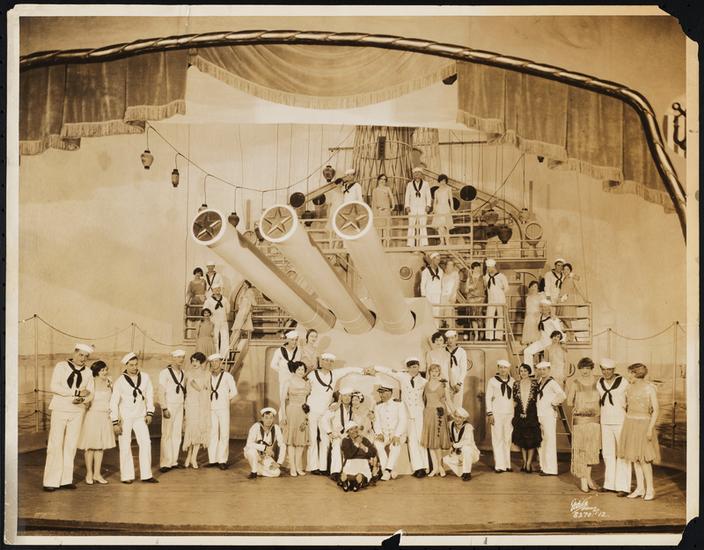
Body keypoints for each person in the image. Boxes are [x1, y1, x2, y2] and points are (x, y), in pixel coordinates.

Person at [43, 343, 95, 492]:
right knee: (55, 443)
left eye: (86, 356)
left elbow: (91, 393)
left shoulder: (88, 372)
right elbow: (54, 387)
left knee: (71, 445)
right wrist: (77, 393)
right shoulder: (61, 366)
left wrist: (82, 399)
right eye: (80, 355)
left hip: (77, 411)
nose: (83, 358)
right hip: (60, 409)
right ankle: (51, 481)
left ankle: (66, 480)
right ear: (74, 353)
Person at [305, 353, 364, 475]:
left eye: (331, 361)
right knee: (313, 439)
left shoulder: (335, 374)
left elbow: (349, 370)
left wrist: (363, 371)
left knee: (325, 440)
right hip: (313, 410)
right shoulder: (312, 374)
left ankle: (322, 468)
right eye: (326, 360)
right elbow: (304, 389)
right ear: (321, 362)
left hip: (326, 410)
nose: (328, 363)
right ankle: (313, 466)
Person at [372, 359, 429, 477]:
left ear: (419, 367)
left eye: (415, 367)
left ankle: (424, 467)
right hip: (406, 413)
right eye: (411, 367)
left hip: (419, 413)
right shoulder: (403, 377)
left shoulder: (424, 381)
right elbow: (389, 371)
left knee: (420, 439)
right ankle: (418, 467)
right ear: (407, 368)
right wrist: (375, 367)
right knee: (412, 440)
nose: (413, 370)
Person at [110, 352, 158, 484]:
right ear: (126, 365)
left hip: (140, 416)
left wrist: (149, 412)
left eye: (136, 364)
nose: (134, 367)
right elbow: (114, 402)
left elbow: (150, 395)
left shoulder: (145, 377)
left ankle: (146, 475)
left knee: (146, 442)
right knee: (125, 444)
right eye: (131, 365)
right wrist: (115, 422)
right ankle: (127, 476)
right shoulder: (120, 381)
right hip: (125, 417)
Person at [618, 363, 660, 500]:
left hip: (643, 425)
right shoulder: (628, 388)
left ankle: (650, 489)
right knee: (635, 458)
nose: (628, 375)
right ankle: (640, 488)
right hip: (630, 424)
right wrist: (626, 411)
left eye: (630, 373)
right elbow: (624, 405)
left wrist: (649, 429)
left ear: (635, 373)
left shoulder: (650, 388)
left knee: (644, 460)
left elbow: (656, 410)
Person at [597, 358, 632, 496]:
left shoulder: (623, 382)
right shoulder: (599, 383)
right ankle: (609, 484)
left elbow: (631, 399)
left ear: (614, 370)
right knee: (607, 453)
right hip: (605, 421)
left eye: (609, 370)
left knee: (622, 453)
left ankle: (623, 486)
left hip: (621, 421)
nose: (606, 372)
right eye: (604, 370)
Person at [567, 357, 602, 492]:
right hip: (580, 422)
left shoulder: (598, 383)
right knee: (581, 451)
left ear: (591, 369)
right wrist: (580, 407)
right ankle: (583, 481)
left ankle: (588, 478)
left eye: (587, 368)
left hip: (594, 422)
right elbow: (569, 401)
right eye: (582, 368)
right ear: (579, 369)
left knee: (591, 451)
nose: (585, 371)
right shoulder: (575, 383)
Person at [77, 359, 114, 485]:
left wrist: (114, 414)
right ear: (96, 371)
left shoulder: (110, 381)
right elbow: (85, 398)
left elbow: (113, 400)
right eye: (102, 370)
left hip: (105, 417)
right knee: (90, 446)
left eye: (106, 369)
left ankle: (97, 474)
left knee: (100, 447)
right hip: (92, 416)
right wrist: (82, 401)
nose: (105, 372)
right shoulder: (90, 382)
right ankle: (89, 473)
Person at [421, 363, 454, 477]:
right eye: (432, 371)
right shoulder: (425, 385)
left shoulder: (443, 385)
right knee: (430, 441)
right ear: (429, 372)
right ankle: (435, 467)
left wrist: (454, 412)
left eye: (436, 371)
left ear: (439, 372)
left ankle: (440, 466)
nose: (434, 373)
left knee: (437, 441)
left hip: (439, 413)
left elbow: (448, 400)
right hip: (428, 413)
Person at [206, 353, 238, 470]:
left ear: (220, 362)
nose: (214, 364)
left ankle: (222, 460)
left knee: (224, 433)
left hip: (223, 408)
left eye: (216, 361)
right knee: (212, 433)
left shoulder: (227, 376)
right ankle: (212, 459)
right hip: (210, 407)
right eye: (212, 362)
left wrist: (225, 399)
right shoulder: (207, 375)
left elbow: (234, 391)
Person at [534, 361, 567, 476]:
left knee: (549, 440)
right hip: (540, 414)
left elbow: (562, 395)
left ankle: (551, 469)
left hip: (548, 414)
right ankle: (543, 466)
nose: (542, 372)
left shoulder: (552, 382)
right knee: (542, 440)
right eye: (540, 370)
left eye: (544, 369)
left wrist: (553, 403)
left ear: (549, 370)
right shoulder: (540, 381)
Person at [280, 360, 311, 477]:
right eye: (299, 369)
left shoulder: (306, 383)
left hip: (302, 412)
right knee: (291, 441)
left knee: (301, 442)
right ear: (294, 370)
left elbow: (307, 400)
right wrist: (284, 415)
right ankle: (292, 467)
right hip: (291, 411)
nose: (301, 371)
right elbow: (282, 400)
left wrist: (307, 414)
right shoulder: (288, 382)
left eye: (303, 369)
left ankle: (298, 467)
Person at [158, 350, 187, 472]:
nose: (181, 359)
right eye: (178, 357)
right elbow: (161, 392)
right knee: (167, 434)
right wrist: (164, 407)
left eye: (182, 357)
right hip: (169, 405)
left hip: (180, 405)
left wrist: (184, 408)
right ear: (173, 358)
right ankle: (165, 463)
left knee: (177, 434)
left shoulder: (183, 372)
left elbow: (184, 392)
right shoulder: (164, 373)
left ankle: (174, 461)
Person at [372, 384, 408, 481]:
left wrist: (397, 435)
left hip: (397, 434)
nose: (381, 395)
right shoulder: (378, 405)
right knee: (377, 444)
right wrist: (379, 433)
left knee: (395, 446)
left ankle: (387, 470)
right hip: (384, 434)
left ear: (390, 392)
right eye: (380, 393)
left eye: (383, 392)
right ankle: (389, 470)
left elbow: (403, 420)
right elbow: (376, 421)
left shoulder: (399, 403)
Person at [486, 359, 515, 473]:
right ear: (498, 368)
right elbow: (488, 397)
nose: (503, 370)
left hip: (510, 413)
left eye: (505, 368)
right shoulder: (492, 381)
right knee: (497, 438)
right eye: (501, 367)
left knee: (507, 438)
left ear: (509, 369)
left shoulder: (513, 381)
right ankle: (499, 465)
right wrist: (490, 413)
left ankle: (507, 464)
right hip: (497, 413)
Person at [512, 364, 542, 473]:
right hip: (519, 415)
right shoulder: (516, 384)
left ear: (529, 372)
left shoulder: (535, 384)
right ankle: (524, 463)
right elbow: (514, 400)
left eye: (525, 370)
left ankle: (529, 463)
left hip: (532, 415)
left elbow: (538, 400)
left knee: (531, 441)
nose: (523, 373)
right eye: (521, 371)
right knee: (522, 441)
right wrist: (519, 412)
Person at [183, 352, 211, 469]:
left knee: (199, 430)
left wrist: (203, 393)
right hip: (191, 405)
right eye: (193, 361)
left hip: (202, 405)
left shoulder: (207, 374)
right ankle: (188, 456)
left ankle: (194, 458)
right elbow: (185, 389)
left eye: (197, 361)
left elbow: (208, 390)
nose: (194, 363)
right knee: (191, 430)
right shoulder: (188, 373)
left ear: (201, 362)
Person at [244, 407, 286, 479]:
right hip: (254, 454)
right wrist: (265, 448)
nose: (269, 420)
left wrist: (279, 462)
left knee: (276, 473)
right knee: (252, 451)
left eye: (271, 418)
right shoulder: (256, 426)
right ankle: (254, 472)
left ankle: (258, 470)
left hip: (265, 456)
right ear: (262, 418)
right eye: (266, 418)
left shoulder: (276, 428)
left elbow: (282, 445)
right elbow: (249, 444)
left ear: (273, 419)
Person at [523, 300, 567, 367]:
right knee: (527, 351)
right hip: (542, 342)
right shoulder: (540, 317)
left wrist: (563, 342)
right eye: (542, 307)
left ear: (549, 308)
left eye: (545, 307)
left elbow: (560, 331)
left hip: (550, 343)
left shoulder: (553, 319)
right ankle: (530, 371)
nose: (544, 309)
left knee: (549, 361)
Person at [325, 386, 355, 480]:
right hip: (337, 435)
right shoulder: (335, 406)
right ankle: (335, 472)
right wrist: (329, 432)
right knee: (337, 445)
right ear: (341, 397)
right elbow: (324, 419)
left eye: (349, 396)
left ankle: (348, 472)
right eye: (345, 396)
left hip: (347, 435)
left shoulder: (352, 409)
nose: (347, 398)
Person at [442, 407, 480, 481]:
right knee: (445, 459)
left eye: (460, 417)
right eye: (456, 416)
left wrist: (453, 446)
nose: (457, 419)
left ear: (464, 419)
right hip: (458, 453)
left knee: (466, 448)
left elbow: (467, 442)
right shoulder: (450, 424)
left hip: (472, 454)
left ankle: (467, 473)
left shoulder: (468, 427)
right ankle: (461, 471)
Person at [340, 422, 379, 492]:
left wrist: (364, 448)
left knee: (361, 475)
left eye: (355, 428)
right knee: (346, 474)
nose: (354, 430)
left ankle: (356, 482)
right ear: (348, 432)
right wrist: (357, 444)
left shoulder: (364, 439)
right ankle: (348, 481)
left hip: (363, 463)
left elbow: (373, 452)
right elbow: (348, 455)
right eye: (351, 429)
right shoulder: (345, 441)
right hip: (350, 463)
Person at [270, 330, 301, 414]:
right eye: (292, 340)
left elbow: (298, 365)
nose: (294, 342)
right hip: (284, 381)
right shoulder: (279, 351)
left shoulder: (298, 351)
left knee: (293, 402)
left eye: (296, 340)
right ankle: (282, 420)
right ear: (287, 340)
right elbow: (273, 365)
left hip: (294, 381)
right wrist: (282, 371)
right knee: (283, 401)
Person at [557, 263, 588, 338]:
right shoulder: (564, 279)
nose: (565, 271)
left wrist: (585, 299)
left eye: (567, 269)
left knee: (566, 318)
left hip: (568, 300)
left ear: (570, 270)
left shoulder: (572, 277)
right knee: (563, 318)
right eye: (564, 269)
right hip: (562, 300)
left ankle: (572, 334)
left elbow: (578, 288)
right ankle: (569, 336)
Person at [404, 166, 432, 246]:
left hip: (422, 207)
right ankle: (410, 244)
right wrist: (407, 206)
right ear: (413, 175)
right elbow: (407, 196)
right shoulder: (409, 184)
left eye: (419, 173)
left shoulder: (426, 184)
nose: (417, 174)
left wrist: (428, 205)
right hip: (412, 207)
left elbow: (428, 195)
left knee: (423, 225)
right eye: (415, 173)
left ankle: (424, 244)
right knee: (411, 225)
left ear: (421, 174)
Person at [484, 258, 509, 341]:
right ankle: (489, 336)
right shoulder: (486, 277)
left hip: (500, 299)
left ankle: (498, 336)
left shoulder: (501, 276)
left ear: (494, 267)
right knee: (489, 317)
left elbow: (506, 288)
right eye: (487, 267)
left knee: (500, 317)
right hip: (491, 300)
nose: (488, 269)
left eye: (489, 267)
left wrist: (501, 295)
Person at [203, 285, 230, 358]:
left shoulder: (225, 299)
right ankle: (215, 355)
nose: (217, 290)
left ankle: (224, 356)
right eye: (215, 289)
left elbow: (228, 310)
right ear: (212, 290)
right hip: (213, 321)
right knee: (215, 338)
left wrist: (225, 319)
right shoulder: (208, 300)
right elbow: (205, 311)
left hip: (223, 321)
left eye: (218, 288)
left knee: (225, 337)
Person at [445, 330, 469, 410]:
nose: (450, 340)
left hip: (457, 382)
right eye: (448, 338)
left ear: (456, 338)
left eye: (452, 338)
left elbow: (463, 369)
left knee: (457, 406)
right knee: (447, 406)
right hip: (446, 381)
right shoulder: (443, 351)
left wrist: (459, 383)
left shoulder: (461, 351)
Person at [463, 261, 486, 341]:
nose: (478, 269)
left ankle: (481, 333)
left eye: (479, 267)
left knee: (479, 316)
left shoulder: (483, 277)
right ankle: (476, 334)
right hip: (471, 299)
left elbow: (485, 288)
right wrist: (469, 287)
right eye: (476, 268)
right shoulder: (469, 279)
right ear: (472, 269)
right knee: (473, 317)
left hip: (480, 298)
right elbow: (466, 290)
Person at [371, 174, 395, 246]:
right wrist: (376, 209)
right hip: (378, 211)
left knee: (386, 227)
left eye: (384, 179)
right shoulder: (375, 190)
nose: (383, 181)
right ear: (378, 180)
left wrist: (393, 206)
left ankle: (386, 244)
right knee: (378, 228)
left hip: (386, 210)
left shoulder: (387, 189)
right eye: (381, 179)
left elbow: (391, 198)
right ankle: (378, 245)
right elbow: (373, 201)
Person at [230, 280, 256, 346]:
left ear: (248, 285)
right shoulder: (243, 292)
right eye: (243, 284)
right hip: (241, 311)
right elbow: (240, 303)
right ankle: (233, 343)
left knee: (242, 327)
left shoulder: (250, 292)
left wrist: (247, 312)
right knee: (237, 328)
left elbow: (253, 303)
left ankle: (233, 344)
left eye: (245, 284)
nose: (244, 286)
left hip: (245, 312)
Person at [431, 174, 455, 246]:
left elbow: (451, 199)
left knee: (446, 226)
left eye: (444, 181)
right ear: (439, 181)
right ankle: (441, 242)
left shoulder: (448, 189)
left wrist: (452, 208)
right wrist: (434, 209)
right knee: (440, 226)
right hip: (438, 209)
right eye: (441, 181)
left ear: (446, 181)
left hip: (446, 208)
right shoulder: (436, 191)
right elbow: (435, 201)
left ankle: (447, 242)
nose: (443, 182)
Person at [420, 252, 444, 322]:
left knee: (437, 313)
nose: (438, 261)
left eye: (439, 260)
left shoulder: (441, 271)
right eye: (437, 259)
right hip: (429, 295)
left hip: (438, 295)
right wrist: (423, 295)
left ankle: (436, 327)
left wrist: (442, 294)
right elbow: (422, 284)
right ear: (432, 259)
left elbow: (442, 283)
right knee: (428, 313)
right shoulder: (426, 271)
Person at [521, 280, 544, 345]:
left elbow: (543, 307)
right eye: (532, 286)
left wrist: (539, 312)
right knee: (529, 332)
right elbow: (527, 308)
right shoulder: (528, 297)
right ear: (530, 287)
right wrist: (526, 316)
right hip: (529, 316)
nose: (534, 288)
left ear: (538, 288)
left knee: (536, 332)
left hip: (537, 315)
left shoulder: (540, 296)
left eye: (535, 286)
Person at [440, 260, 460, 328]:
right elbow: (442, 286)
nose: (449, 266)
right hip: (443, 296)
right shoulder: (444, 275)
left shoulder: (455, 274)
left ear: (453, 266)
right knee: (442, 314)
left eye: (451, 265)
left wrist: (452, 296)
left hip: (450, 296)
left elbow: (456, 286)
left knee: (449, 314)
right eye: (448, 264)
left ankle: (450, 330)